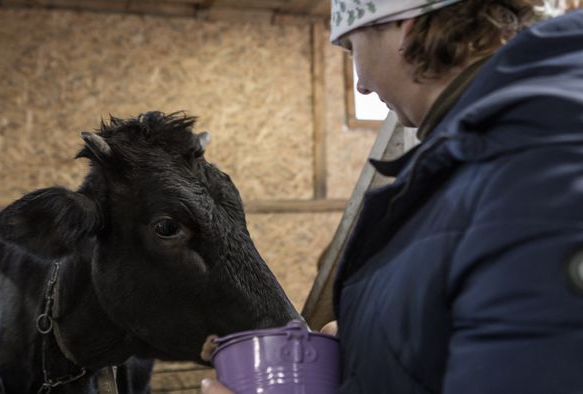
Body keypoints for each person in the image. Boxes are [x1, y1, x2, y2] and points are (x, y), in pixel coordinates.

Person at [202, 0, 583, 393]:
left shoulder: (533, 171)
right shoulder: (481, 157)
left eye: (353, 47)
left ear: (408, 27)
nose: (361, 84)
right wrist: (369, 346)